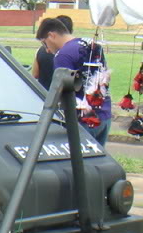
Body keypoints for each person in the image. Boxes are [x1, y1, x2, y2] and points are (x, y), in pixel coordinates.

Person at [36, 16, 110, 145]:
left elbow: (62, 90)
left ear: (51, 35)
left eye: (44, 43)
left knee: (77, 163)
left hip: (83, 119)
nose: (47, 49)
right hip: (104, 114)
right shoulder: (92, 45)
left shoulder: (63, 55)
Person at [32, 15, 73, 90]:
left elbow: (35, 74)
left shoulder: (40, 51)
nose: (47, 50)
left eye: (45, 43)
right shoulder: (83, 49)